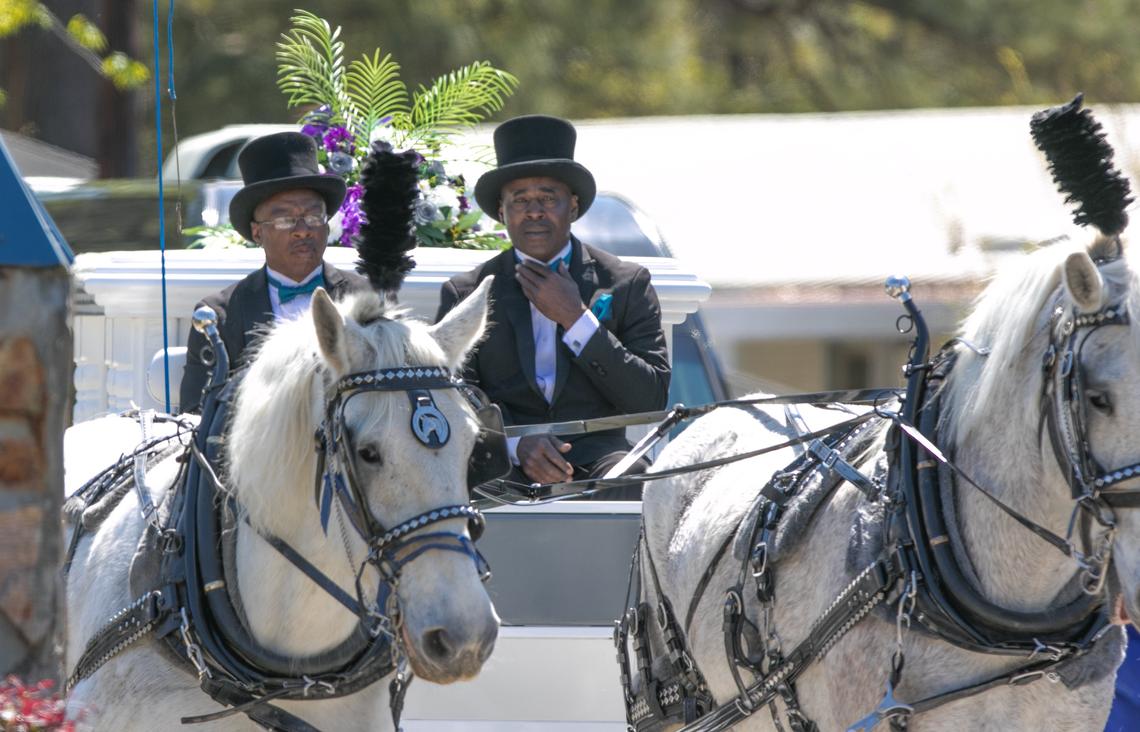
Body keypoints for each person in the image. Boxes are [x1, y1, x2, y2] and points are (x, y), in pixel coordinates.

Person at [435, 115, 670, 499]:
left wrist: (576, 318)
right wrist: (516, 444)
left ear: (573, 207)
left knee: (633, 480)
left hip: (600, 459)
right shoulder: (466, 293)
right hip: (504, 464)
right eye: (520, 200)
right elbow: (456, 396)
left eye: (547, 198)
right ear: (501, 212)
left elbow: (649, 397)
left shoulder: (626, 283)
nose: (534, 211)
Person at [180, 131, 370, 412]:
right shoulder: (219, 316)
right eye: (284, 219)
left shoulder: (363, 298)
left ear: (328, 224)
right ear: (257, 232)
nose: (303, 230)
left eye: (314, 216)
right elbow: (199, 417)